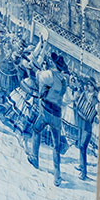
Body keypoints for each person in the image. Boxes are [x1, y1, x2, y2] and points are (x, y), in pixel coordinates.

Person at [27, 53, 69, 186]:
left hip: (46, 111)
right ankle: (57, 175)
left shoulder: (49, 74)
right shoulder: (64, 81)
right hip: (57, 115)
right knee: (56, 145)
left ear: (54, 64)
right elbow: (65, 99)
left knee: (36, 129)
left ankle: (35, 157)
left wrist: (36, 67)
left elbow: (39, 76)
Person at [71, 76, 98, 180]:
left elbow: (95, 113)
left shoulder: (96, 100)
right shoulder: (84, 94)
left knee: (83, 147)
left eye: (90, 85)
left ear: (93, 87)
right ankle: (81, 166)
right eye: (87, 85)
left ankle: (83, 173)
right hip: (81, 123)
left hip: (87, 126)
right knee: (80, 146)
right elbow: (77, 103)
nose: (87, 86)